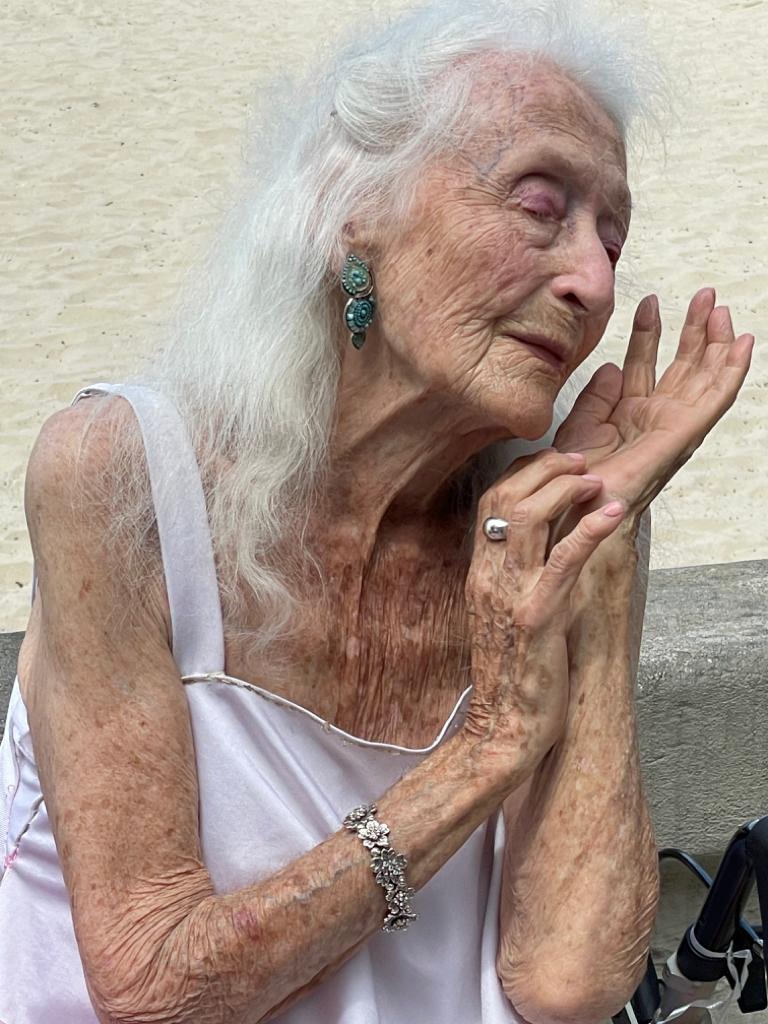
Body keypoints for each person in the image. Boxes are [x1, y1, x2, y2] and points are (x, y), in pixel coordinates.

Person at [0, 1, 755, 1021]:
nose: (590, 280)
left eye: (612, 240)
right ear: (354, 206)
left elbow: (570, 986)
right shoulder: (121, 482)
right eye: (541, 206)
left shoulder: (535, 519)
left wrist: (603, 542)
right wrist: (488, 745)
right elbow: (154, 985)